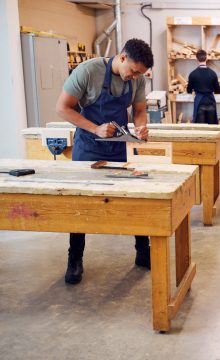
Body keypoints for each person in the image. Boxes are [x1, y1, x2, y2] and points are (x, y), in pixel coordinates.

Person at [55, 38, 154, 284]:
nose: (134, 77)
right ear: (122, 58)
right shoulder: (88, 71)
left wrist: (141, 128)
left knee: (137, 197)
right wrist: (95, 129)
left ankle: (143, 251)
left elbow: (139, 110)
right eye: (132, 71)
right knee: (81, 201)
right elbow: (62, 108)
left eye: (139, 74)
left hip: (120, 144)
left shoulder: (138, 78)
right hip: (89, 145)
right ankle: (74, 259)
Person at [187, 49, 220, 124]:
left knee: (200, 129)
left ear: (196, 59)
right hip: (210, 101)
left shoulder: (192, 74)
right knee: (212, 127)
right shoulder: (213, 73)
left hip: (199, 102)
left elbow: (189, 90)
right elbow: (218, 90)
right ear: (206, 58)